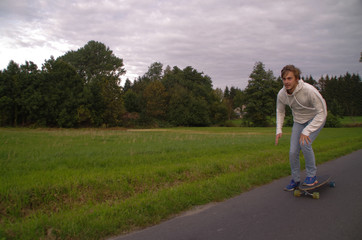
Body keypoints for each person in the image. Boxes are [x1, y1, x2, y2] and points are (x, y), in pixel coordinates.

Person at [275, 65, 327, 191]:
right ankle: (296, 179)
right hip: (298, 121)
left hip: (315, 119)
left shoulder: (309, 90)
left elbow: (322, 112)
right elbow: (280, 111)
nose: (286, 82)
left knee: (305, 144)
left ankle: (311, 176)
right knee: (293, 151)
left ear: (297, 78)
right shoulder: (282, 94)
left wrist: (307, 130)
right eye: (284, 79)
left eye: (289, 78)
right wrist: (279, 129)